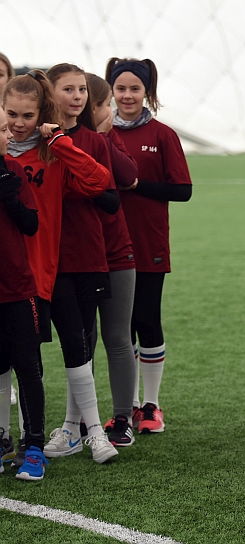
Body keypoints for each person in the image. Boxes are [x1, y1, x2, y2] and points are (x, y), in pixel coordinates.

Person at [3, 70, 111, 463]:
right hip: (5, 277)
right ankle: (8, 441)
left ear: (41, 115)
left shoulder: (50, 154)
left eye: (27, 116)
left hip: (41, 275)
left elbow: (99, 181)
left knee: (63, 353)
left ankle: (91, 432)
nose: (18, 124)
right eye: (10, 114)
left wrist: (59, 140)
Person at [106, 57, 193, 434]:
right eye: (121, 88)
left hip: (148, 243)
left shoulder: (162, 135)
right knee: (114, 329)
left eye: (134, 89)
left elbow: (183, 190)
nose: (127, 95)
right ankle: (121, 409)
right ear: (111, 91)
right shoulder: (100, 135)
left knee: (145, 320)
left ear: (147, 93)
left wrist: (138, 186)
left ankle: (151, 406)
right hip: (105, 246)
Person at [40, 64, 119, 463]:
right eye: (67, 89)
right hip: (50, 258)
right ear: (50, 95)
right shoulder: (38, 141)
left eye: (82, 89)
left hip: (89, 254)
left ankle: (74, 430)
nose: (77, 96)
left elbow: (108, 194)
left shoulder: (93, 140)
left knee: (82, 342)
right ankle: (85, 430)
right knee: (72, 340)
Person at [85, 72, 139, 447]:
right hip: (78, 257)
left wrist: (106, 134)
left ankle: (123, 418)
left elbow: (128, 174)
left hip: (117, 252)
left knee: (117, 338)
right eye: (105, 104)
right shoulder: (62, 143)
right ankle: (80, 423)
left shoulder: (105, 139)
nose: (112, 110)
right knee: (82, 340)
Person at [0, 106, 48, 479]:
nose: (7, 135)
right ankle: (3, 443)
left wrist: (11, 200)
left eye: (6, 129)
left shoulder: (13, 172)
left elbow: (31, 224)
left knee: (28, 369)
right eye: (2, 129)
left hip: (17, 287)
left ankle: (34, 446)